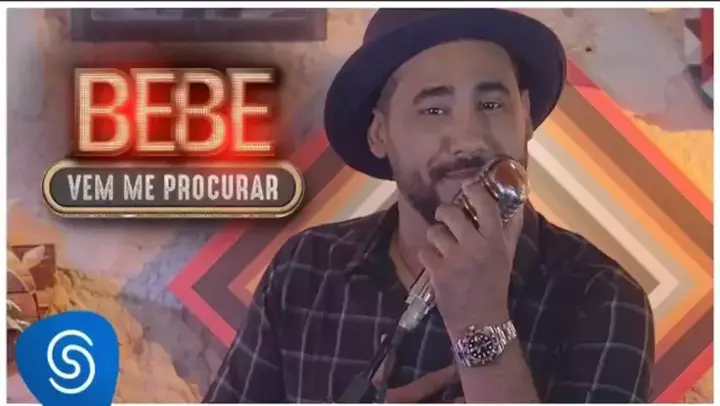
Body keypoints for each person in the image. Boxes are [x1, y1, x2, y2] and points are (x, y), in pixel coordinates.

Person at [203, 8, 655, 403]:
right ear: (379, 134)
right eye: (434, 110)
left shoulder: (603, 300)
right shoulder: (305, 270)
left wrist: (481, 323)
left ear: (526, 116)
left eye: (491, 104)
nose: (470, 138)